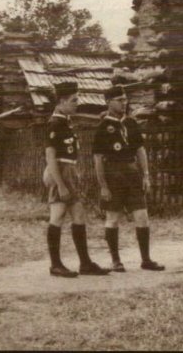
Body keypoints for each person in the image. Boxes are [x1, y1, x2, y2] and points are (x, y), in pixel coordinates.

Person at [93, 86, 165, 272]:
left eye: (125, 100)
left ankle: (146, 260)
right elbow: (98, 159)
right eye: (119, 100)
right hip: (113, 175)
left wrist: (146, 176)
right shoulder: (102, 127)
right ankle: (116, 261)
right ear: (109, 102)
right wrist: (103, 186)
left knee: (142, 216)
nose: (124, 103)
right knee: (112, 218)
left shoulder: (131, 123)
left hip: (132, 174)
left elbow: (140, 150)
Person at [44, 81, 110, 278]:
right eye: (73, 101)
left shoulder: (66, 122)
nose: (77, 104)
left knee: (79, 216)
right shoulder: (54, 124)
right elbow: (50, 157)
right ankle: (55, 265)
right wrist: (61, 185)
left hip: (71, 173)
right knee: (57, 216)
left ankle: (85, 263)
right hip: (62, 174)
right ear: (62, 101)